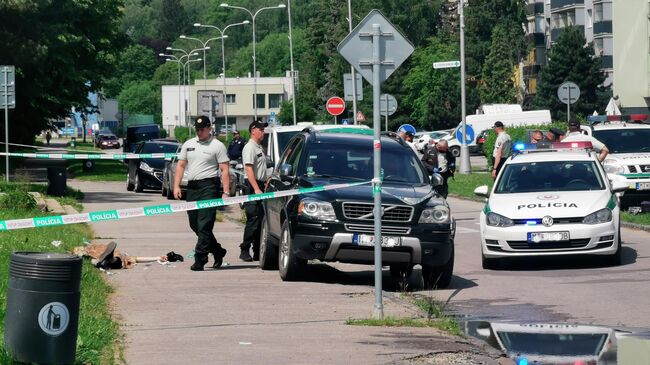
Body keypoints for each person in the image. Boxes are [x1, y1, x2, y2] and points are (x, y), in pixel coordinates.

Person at [174, 116, 230, 271]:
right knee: (194, 224)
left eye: (202, 129)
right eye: (197, 129)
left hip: (209, 187)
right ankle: (218, 251)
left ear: (209, 128)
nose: (199, 132)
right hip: (192, 188)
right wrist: (176, 186)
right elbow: (180, 165)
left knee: (204, 225)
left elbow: (225, 170)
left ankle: (200, 258)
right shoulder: (189, 144)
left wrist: (225, 192)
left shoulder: (217, 146)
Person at [240, 120, 270, 262]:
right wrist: (257, 188)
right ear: (253, 130)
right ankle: (244, 249)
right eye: (261, 130)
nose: (263, 132)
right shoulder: (250, 147)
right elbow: (249, 169)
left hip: (260, 185)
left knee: (260, 220)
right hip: (252, 187)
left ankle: (257, 250)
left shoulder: (258, 147)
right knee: (253, 219)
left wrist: (266, 180)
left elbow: (261, 169)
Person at [72, 241, 184, 270]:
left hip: (115, 259)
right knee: (115, 261)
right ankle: (106, 261)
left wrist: (158, 257)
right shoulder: (125, 257)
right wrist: (157, 257)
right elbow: (138, 259)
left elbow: (138, 259)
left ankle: (104, 261)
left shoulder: (95, 248)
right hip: (118, 260)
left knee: (96, 261)